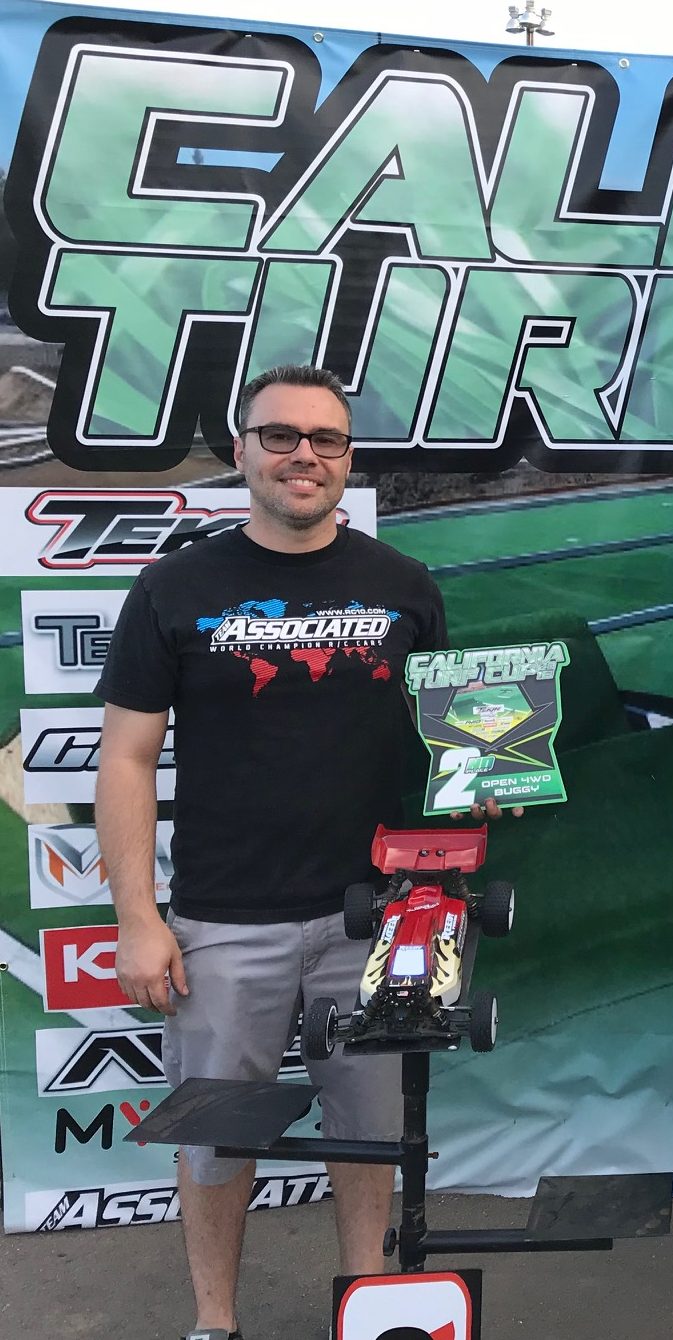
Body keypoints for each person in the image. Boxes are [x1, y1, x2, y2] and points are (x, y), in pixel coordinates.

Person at [97, 366, 447, 1340]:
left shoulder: (405, 586)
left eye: (326, 438)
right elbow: (125, 757)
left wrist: (485, 779)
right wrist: (136, 916)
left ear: (347, 457)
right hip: (222, 919)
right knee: (215, 1138)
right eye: (281, 435)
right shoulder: (176, 586)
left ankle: (367, 1309)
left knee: (370, 1134)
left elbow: (449, 737)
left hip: (378, 918)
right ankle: (215, 1322)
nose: (304, 455)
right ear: (243, 449)